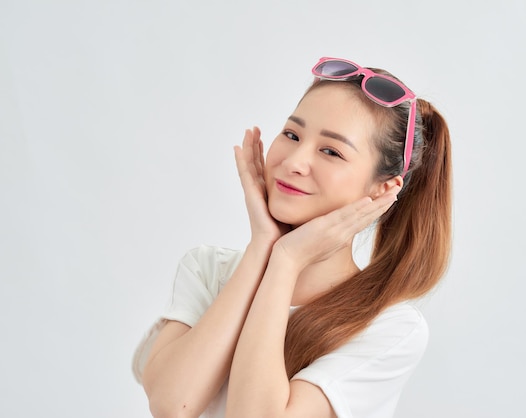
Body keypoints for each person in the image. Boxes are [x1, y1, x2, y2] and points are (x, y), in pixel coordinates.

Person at [132, 57, 452, 418]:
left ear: (381, 191)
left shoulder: (390, 329)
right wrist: (261, 251)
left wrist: (285, 262)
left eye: (331, 151)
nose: (295, 161)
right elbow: (173, 405)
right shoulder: (209, 270)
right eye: (292, 135)